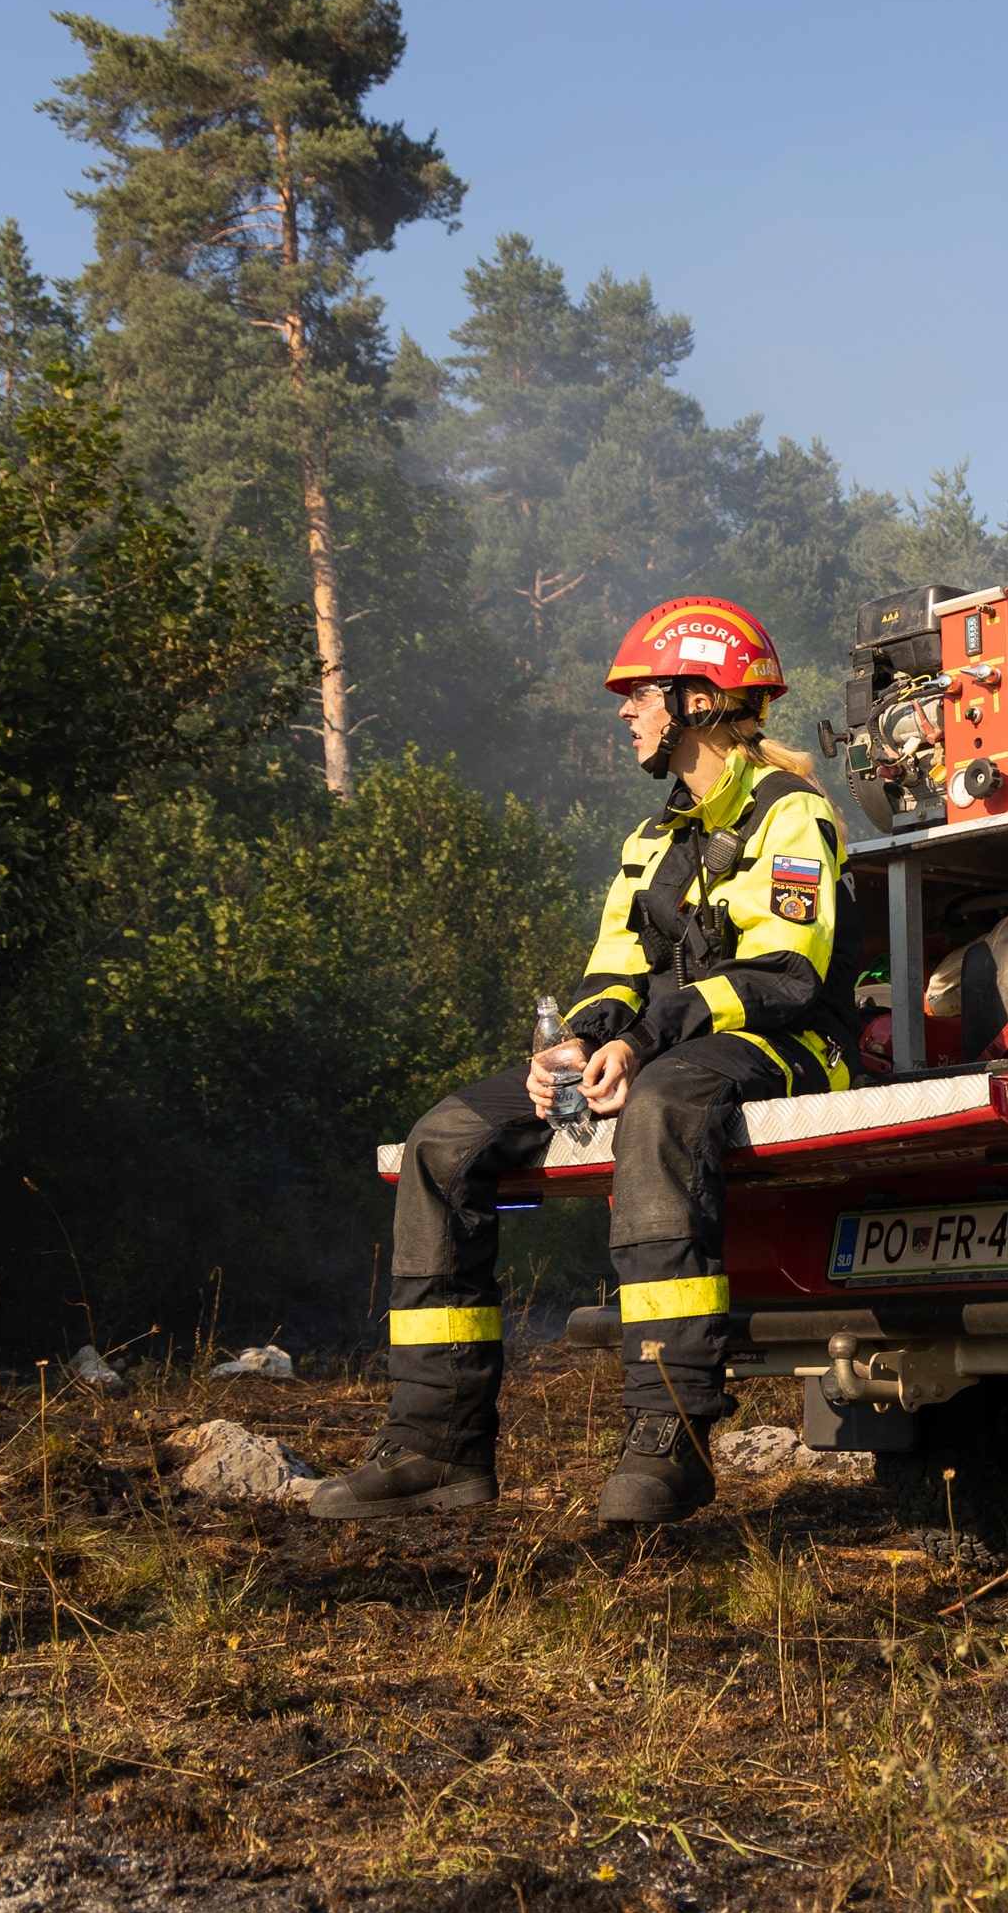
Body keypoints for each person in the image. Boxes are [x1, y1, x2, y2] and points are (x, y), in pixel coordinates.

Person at [312, 596, 858, 1526]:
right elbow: (615, 964)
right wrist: (579, 1037)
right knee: (445, 1139)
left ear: (697, 698)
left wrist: (641, 1043)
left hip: (784, 1046)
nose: (624, 711)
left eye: (639, 692)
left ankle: (668, 1437)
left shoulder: (792, 815)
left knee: (660, 1109)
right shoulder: (653, 840)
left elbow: (785, 972)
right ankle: (436, 1446)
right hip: (658, 1050)